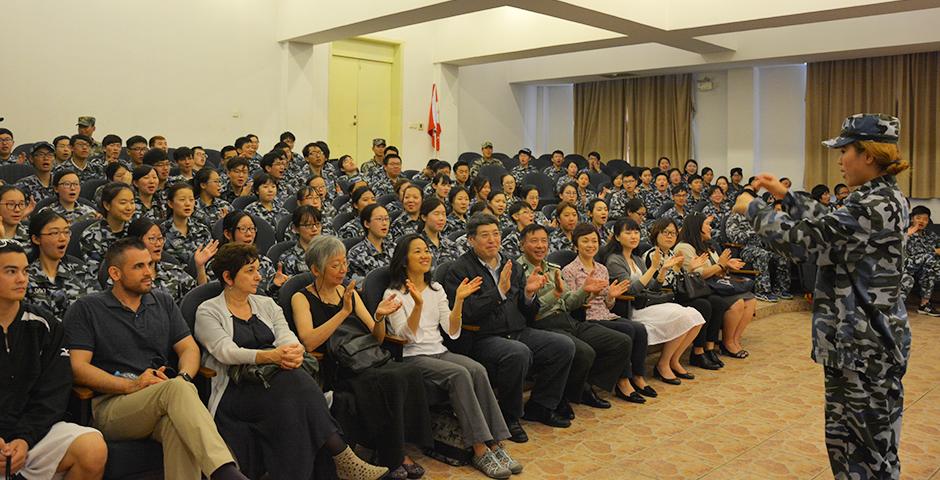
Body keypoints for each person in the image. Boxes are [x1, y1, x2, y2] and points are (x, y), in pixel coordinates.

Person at [733, 113, 911, 479]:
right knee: (851, 446)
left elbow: (808, 242)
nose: (840, 160)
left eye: (844, 150)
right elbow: (830, 222)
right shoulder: (878, 198)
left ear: (868, 155)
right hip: (859, 343)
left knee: (865, 451)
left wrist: (752, 208)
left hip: (864, 347)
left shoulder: (872, 206)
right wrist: (787, 197)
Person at [195, 243, 387, 480]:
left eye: (257, 269)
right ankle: (342, 454)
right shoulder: (208, 311)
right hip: (236, 389)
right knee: (294, 385)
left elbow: (286, 336)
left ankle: (335, 461)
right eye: (250, 271)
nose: (259, 276)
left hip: (277, 380)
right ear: (228, 277)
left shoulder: (265, 304)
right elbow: (226, 352)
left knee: (292, 405)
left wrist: (292, 351)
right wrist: (270, 356)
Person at [65, 238, 251, 480]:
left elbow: (189, 350)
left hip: (163, 398)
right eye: (139, 267)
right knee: (176, 390)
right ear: (115, 273)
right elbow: (78, 368)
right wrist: (132, 385)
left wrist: (183, 376)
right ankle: (227, 473)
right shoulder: (88, 308)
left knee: (178, 425)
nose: (149, 273)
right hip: (112, 405)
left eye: (150, 265)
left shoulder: (162, 301)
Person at [290, 236, 433, 479]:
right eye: (335, 265)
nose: (343, 269)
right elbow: (309, 341)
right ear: (316, 269)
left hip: (365, 358)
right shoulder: (301, 298)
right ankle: (393, 457)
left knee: (407, 371)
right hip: (337, 367)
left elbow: (376, 338)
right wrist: (343, 312)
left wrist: (379, 316)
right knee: (391, 380)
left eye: (344, 263)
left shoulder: (350, 293)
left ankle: (399, 449)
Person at [384, 234, 523, 479]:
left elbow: (451, 330)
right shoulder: (393, 293)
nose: (425, 255)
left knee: (477, 369)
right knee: (459, 373)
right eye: (417, 251)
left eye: (426, 250)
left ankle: (496, 444)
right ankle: (479, 449)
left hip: (440, 351)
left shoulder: (435, 288)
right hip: (413, 357)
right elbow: (406, 337)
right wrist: (416, 305)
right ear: (404, 260)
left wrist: (458, 300)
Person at [444, 213, 576, 443]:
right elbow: (467, 312)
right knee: (517, 353)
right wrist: (499, 292)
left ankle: (541, 406)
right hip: (482, 337)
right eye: (484, 236)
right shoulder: (459, 269)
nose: (492, 240)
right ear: (470, 240)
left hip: (517, 330)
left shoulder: (510, 265)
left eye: (496, 234)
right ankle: (508, 416)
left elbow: (528, 312)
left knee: (563, 346)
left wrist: (528, 294)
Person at [0, 239, 108, 480]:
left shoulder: (45, 324)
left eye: (25, 271)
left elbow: (53, 393)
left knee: (91, 446)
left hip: (30, 433)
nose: (21, 279)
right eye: (11, 271)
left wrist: (24, 438)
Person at [517, 224, 641, 405]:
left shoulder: (553, 268)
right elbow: (527, 310)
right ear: (521, 245)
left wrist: (584, 291)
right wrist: (555, 295)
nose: (540, 245)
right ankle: (568, 395)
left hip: (567, 319)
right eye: (534, 241)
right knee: (584, 352)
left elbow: (568, 303)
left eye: (544, 241)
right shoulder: (517, 271)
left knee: (621, 341)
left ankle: (583, 386)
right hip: (541, 324)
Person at [601, 219, 706, 383]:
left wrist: (662, 269)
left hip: (647, 304)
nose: (633, 236)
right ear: (617, 237)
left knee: (695, 316)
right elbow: (631, 290)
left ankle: (673, 360)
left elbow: (654, 288)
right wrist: (653, 268)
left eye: (636, 232)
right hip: (632, 307)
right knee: (683, 316)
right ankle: (663, 365)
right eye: (628, 233)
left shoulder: (636, 259)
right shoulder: (614, 260)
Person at [560, 224, 658, 388]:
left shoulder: (602, 269)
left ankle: (638, 376)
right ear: (576, 245)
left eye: (594, 241)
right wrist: (590, 293)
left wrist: (611, 296)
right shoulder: (569, 270)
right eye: (585, 241)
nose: (591, 245)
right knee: (627, 331)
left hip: (606, 315)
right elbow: (572, 304)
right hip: (587, 318)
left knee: (639, 329)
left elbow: (608, 304)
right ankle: (623, 381)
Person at [642, 218, 723, 370]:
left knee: (714, 301)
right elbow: (657, 285)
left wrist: (690, 269)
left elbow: (678, 280)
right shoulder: (652, 255)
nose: (669, 236)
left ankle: (705, 349)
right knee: (702, 305)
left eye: (673, 233)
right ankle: (696, 352)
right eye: (665, 232)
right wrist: (671, 270)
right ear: (656, 234)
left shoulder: (673, 253)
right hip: (661, 298)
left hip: (675, 295)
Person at [674, 214, 757, 359]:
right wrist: (721, 265)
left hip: (715, 285)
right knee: (737, 303)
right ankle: (727, 342)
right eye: (707, 224)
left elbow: (719, 270)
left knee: (751, 301)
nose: (710, 227)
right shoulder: (685, 247)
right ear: (697, 227)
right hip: (701, 289)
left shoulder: (708, 245)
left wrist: (726, 266)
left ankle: (734, 340)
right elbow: (698, 274)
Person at [27, 210, 94, 320]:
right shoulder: (24, 276)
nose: (63, 238)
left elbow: (96, 309)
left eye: (66, 232)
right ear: (36, 239)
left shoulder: (80, 270)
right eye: (54, 233)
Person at [128, 218, 214, 303]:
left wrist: (200, 266)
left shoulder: (173, 271)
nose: (158, 244)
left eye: (160, 238)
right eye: (152, 239)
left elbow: (199, 298)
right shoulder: (127, 277)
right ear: (136, 242)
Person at [726, 209, 792, 302]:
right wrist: (753, 232)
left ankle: (781, 289)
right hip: (744, 249)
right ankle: (762, 291)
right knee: (762, 254)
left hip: (763, 247)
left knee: (782, 255)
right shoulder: (735, 217)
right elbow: (734, 237)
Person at [218, 211, 287, 295]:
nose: (249, 234)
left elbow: (271, 298)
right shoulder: (221, 262)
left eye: (252, 228)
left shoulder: (264, 262)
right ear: (228, 234)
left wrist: (275, 285)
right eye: (243, 229)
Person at [80, 182, 136, 276]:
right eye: (123, 203)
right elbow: (96, 274)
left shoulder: (136, 229)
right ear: (107, 205)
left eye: (132, 202)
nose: (129, 207)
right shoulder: (91, 236)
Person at [900, 205, 940, 315]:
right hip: (908, 264)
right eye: (918, 218)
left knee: (929, 269)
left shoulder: (930, 235)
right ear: (912, 218)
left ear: (928, 222)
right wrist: (908, 235)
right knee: (930, 258)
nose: (922, 221)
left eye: (925, 219)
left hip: (925, 266)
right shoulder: (904, 233)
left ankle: (924, 304)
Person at [162, 183, 214, 265]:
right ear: (170, 204)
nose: (188, 204)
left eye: (191, 200)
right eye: (182, 199)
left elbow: (211, 263)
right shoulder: (162, 232)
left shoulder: (202, 230)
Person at [347, 204, 395, 284]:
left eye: (386, 219)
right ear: (367, 224)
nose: (384, 223)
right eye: (379, 219)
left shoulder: (394, 248)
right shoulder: (356, 254)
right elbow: (361, 286)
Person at [279, 206, 323, 276]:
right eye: (308, 225)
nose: (315, 229)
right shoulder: (288, 258)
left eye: (317, 224)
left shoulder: (329, 252)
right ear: (295, 228)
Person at [418, 198, 458, 269]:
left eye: (444, 214)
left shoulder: (451, 245)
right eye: (436, 214)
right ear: (424, 217)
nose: (441, 218)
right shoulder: (416, 245)